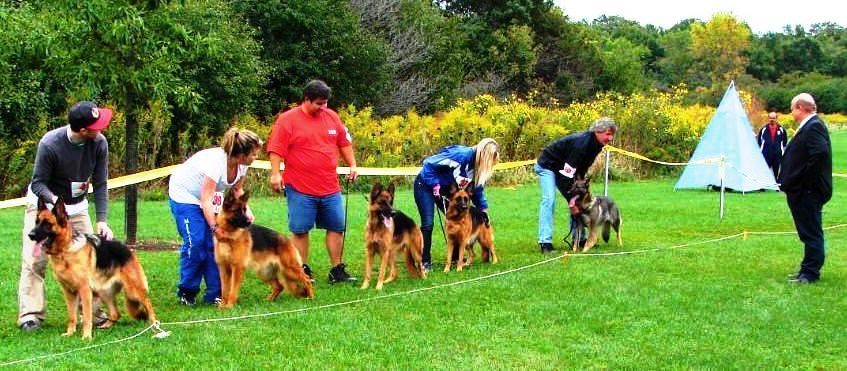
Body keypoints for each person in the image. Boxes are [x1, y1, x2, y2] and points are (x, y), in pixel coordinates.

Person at [18, 101, 115, 332]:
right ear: (83, 130)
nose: (101, 129)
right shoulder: (51, 144)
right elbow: (38, 182)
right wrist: (54, 205)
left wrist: (102, 219)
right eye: (97, 125)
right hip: (45, 204)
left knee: (90, 259)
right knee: (35, 260)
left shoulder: (99, 143)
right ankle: (30, 315)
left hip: (77, 206)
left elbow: (100, 183)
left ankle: (92, 312)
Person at [267, 79, 359, 284]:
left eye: (325, 103)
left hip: (329, 186)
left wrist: (352, 164)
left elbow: (344, 143)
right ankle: (301, 270)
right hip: (299, 187)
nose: (323, 107)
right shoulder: (287, 120)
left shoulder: (332, 117)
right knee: (300, 229)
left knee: (337, 226)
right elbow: (276, 149)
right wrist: (275, 173)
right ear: (306, 99)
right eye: (319, 103)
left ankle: (337, 270)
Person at [168, 128, 263, 305]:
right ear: (241, 154)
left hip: (209, 196)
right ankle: (187, 291)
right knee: (196, 242)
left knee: (214, 245)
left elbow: (237, 189)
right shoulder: (215, 164)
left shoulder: (243, 165)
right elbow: (206, 199)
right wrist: (214, 227)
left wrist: (247, 210)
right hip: (185, 195)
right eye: (254, 154)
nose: (256, 157)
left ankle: (216, 293)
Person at [413, 138, 500, 272]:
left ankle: (455, 259)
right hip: (425, 184)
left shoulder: (476, 168)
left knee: (458, 220)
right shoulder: (461, 155)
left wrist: (483, 209)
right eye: (489, 162)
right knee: (428, 223)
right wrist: (435, 183)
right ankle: (424, 262)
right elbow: (429, 164)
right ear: (484, 156)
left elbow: (477, 190)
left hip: (445, 190)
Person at [534, 117, 617, 254]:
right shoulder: (581, 144)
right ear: (597, 131)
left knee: (579, 200)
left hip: (565, 168)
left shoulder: (597, 145)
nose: (610, 138)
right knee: (549, 199)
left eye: (612, 134)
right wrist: (572, 203)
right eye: (608, 134)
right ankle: (545, 243)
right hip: (547, 166)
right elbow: (566, 176)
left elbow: (581, 169)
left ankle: (578, 240)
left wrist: (578, 196)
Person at [779, 93, 832, 284]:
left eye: (792, 109)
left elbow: (820, 154)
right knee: (807, 231)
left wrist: (804, 182)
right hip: (802, 190)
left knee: (811, 232)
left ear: (800, 107)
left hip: (807, 191)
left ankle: (810, 273)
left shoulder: (814, 126)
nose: (791, 113)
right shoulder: (810, 126)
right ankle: (806, 270)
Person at [757, 111, 787, 180]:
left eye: (773, 118)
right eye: (770, 118)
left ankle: (777, 185)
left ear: (776, 119)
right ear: (768, 119)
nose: (772, 120)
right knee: (764, 169)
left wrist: (780, 150)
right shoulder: (763, 129)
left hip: (777, 154)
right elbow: (759, 141)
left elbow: (784, 142)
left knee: (777, 170)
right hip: (766, 153)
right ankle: (762, 185)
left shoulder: (781, 129)